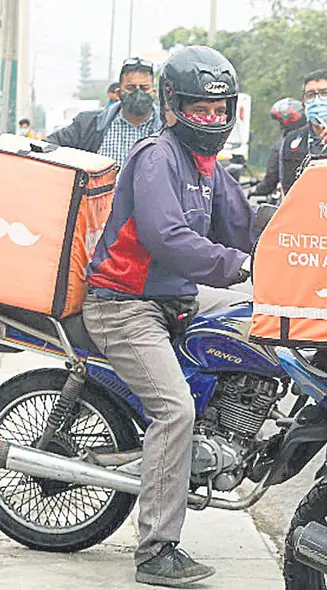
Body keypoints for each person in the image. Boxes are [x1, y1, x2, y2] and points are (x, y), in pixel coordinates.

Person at [81, 46, 254, 587]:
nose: (211, 119)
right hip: (123, 307)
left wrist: (307, 240)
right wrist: (240, 264)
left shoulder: (209, 167)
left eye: (219, 110)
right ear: (173, 105)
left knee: (255, 333)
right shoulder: (157, 155)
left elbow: (243, 225)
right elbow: (166, 235)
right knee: (175, 410)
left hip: (172, 302)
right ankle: (156, 549)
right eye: (200, 109)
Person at [47, 57, 162, 164]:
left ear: (154, 93)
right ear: (118, 93)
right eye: (131, 88)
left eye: (144, 88)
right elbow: (46, 147)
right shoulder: (88, 125)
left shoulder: (170, 127)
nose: (138, 94)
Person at [250, 97, 306, 199]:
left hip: (290, 198)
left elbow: (271, 178)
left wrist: (256, 190)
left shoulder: (286, 144)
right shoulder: (316, 137)